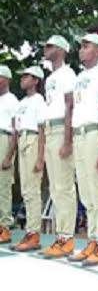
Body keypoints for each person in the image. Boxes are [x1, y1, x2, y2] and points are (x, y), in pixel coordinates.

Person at [67, 33, 98, 267]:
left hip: (95, 135)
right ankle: (92, 240)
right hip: (79, 136)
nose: (81, 50)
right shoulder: (79, 78)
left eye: (86, 46)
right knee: (86, 192)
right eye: (81, 46)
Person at [38, 35, 78, 259]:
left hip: (62, 130)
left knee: (64, 186)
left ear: (61, 50)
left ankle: (66, 237)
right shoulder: (52, 76)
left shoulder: (67, 74)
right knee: (55, 187)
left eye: (51, 45)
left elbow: (70, 105)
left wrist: (68, 139)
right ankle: (61, 237)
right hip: (51, 129)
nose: (46, 48)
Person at [10, 66, 46, 252]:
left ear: (36, 80)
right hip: (22, 140)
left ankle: (34, 233)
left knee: (33, 189)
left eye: (27, 76)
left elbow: (41, 130)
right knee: (25, 189)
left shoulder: (39, 101)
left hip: (32, 139)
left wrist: (41, 157)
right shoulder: (21, 102)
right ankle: (30, 231)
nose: (22, 79)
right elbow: (15, 129)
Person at [0, 65, 18, 245]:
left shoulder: (12, 100)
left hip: (4, 139)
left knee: (3, 186)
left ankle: (5, 226)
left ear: (6, 80)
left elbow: (15, 130)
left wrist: (8, 155)